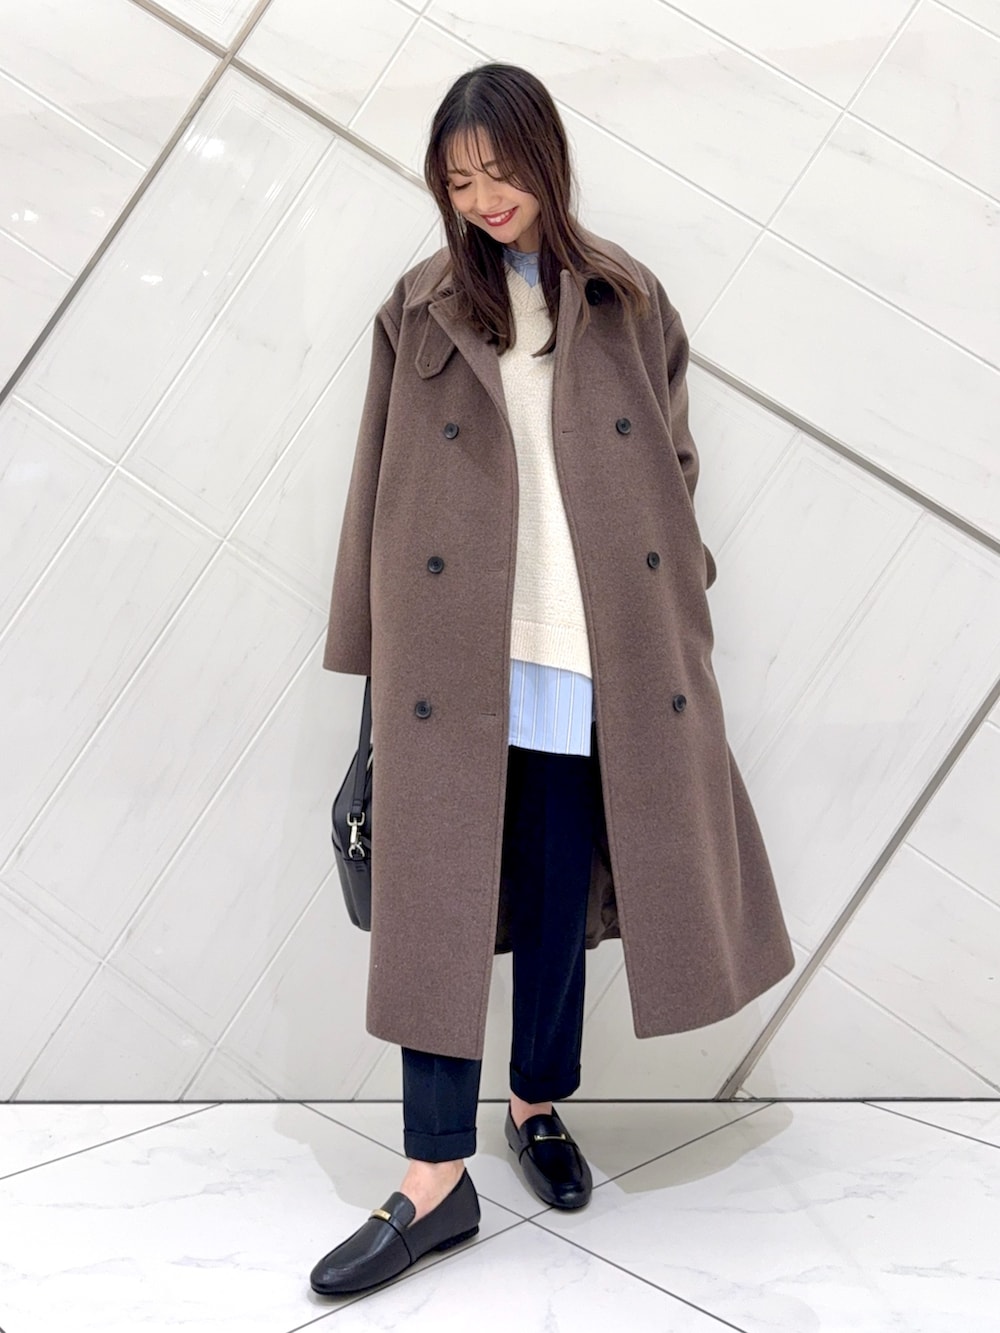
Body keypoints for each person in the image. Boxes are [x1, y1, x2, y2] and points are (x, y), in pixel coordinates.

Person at [310, 62, 795, 1296]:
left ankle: (534, 1103)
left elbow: (674, 460)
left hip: (595, 653)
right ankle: (433, 1176)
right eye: (457, 180)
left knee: (553, 899)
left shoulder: (626, 298)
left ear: (546, 159)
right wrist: (368, 639)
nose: (483, 198)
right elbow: (375, 481)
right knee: (433, 909)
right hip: (453, 654)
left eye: (500, 171)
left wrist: (678, 584)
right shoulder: (420, 309)